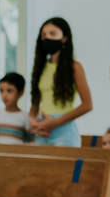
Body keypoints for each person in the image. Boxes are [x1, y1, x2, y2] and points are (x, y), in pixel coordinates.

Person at [29, 17, 93, 146]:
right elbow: (35, 103)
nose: (47, 38)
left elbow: (87, 105)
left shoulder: (75, 67)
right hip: (42, 129)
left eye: (52, 33)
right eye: (44, 34)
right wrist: (32, 120)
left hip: (64, 130)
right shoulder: (40, 68)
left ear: (64, 37)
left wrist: (56, 122)